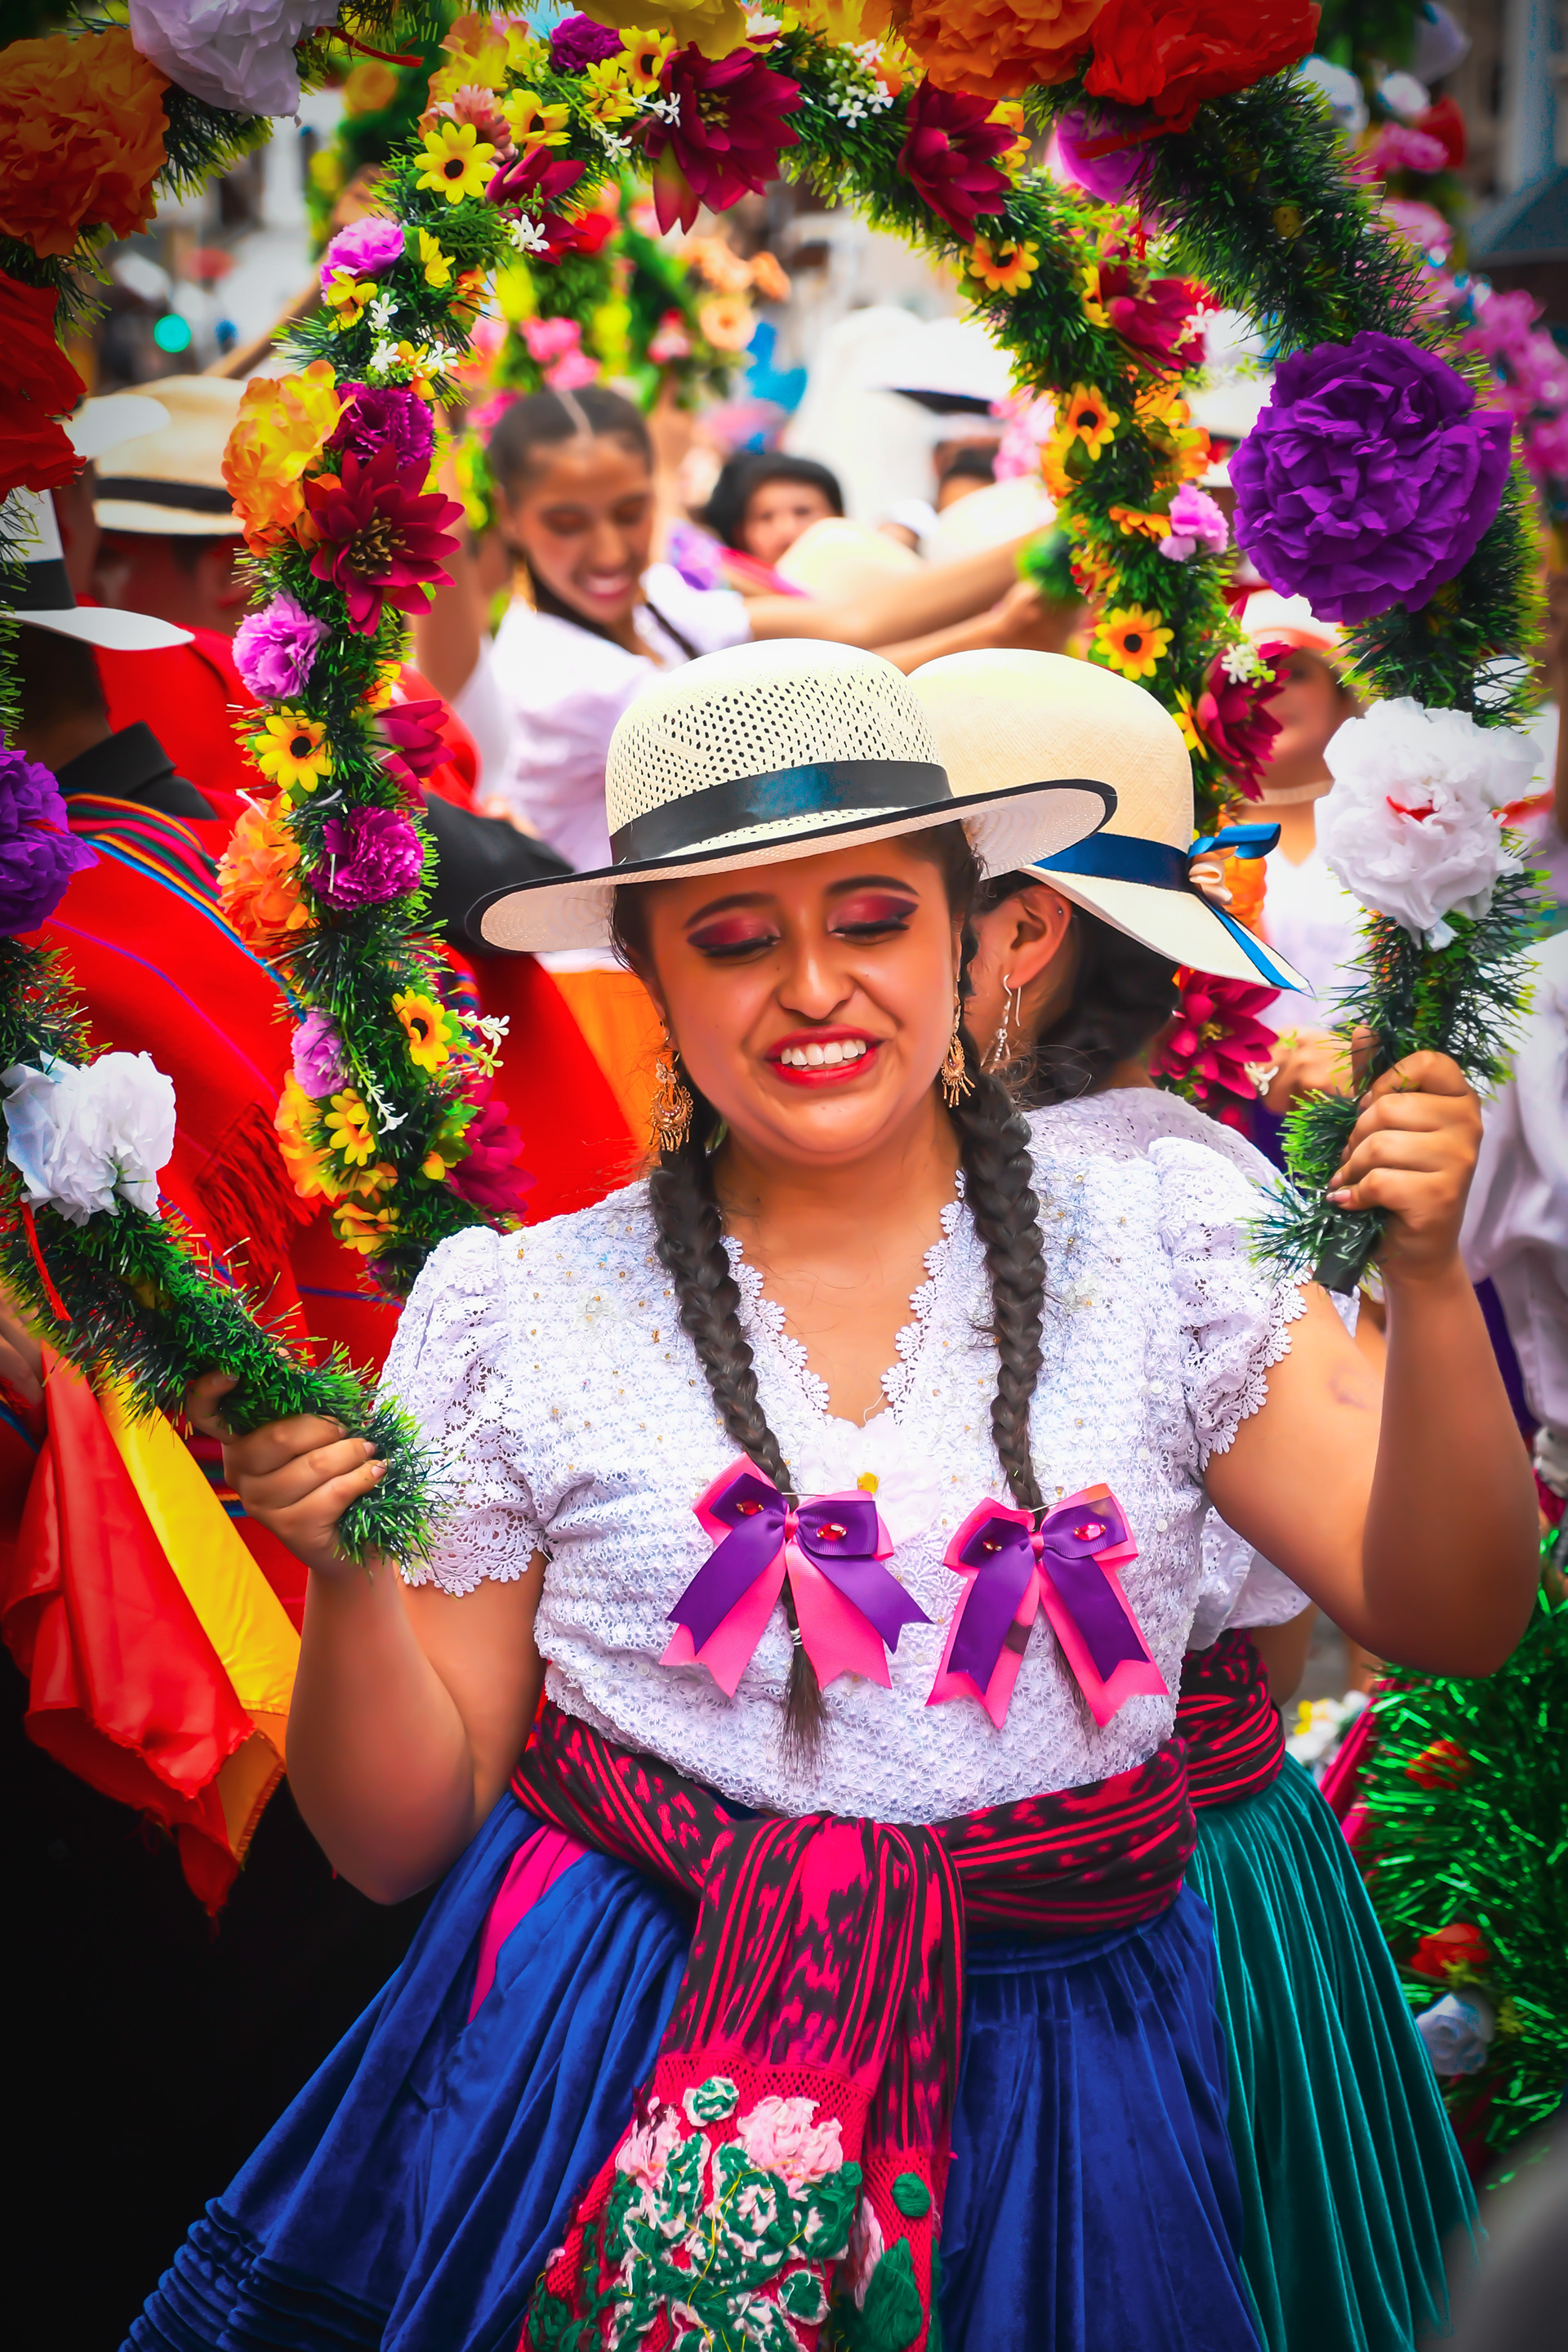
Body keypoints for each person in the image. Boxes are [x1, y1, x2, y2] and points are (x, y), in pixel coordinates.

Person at [134, 641, 1535, 2352]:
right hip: (624, 2050)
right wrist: (348, 1573)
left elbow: (1453, 1615)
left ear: (975, 936)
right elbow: (393, 1840)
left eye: (871, 918)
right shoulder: (514, 1309)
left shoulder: (1167, 1241)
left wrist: (1437, 1285)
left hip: (1078, 2070)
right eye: (735, 935)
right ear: (647, 967)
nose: (814, 986)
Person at [914, 649, 1477, 2352]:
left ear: (1019, 937)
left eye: (869, 908)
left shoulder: (1169, 1205)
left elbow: (1363, 1590)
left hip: (1150, 1919)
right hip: (1116, 1883)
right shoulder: (1194, 1179)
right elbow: (1280, 1620)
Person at [419, 385, 1054, 872]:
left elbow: (850, 623)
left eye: (630, 512)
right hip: (599, 988)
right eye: (566, 523)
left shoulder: (655, 600)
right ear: (509, 515)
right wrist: (1005, 631)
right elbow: (821, 718)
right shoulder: (557, 674)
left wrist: (1060, 538)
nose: (608, 550)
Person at [702, 449, 844, 569]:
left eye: (802, 512)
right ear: (740, 535)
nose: (786, 529)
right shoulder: (727, 599)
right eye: (765, 517)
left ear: (839, 517)